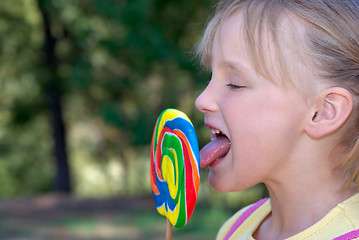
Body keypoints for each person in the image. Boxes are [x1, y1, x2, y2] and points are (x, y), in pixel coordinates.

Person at [195, 0, 359, 239]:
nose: (202, 99)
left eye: (235, 83)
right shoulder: (233, 229)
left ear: (323, 112)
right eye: (210, 77)